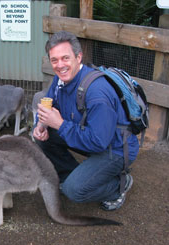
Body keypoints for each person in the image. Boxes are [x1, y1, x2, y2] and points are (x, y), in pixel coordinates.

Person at [33, 31, 139, 211]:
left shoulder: (97, 92)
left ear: (78, 57)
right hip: (88, 134)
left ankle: (118, 186)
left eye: (65, 58)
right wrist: (41, 123)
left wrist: (59, 124)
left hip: (115, 148)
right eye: (54, 60)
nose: (60, 65)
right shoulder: (60, 81)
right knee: (43, 137)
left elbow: (98, 142)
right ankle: (74, 176)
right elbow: (48, 106)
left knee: (74, 191)